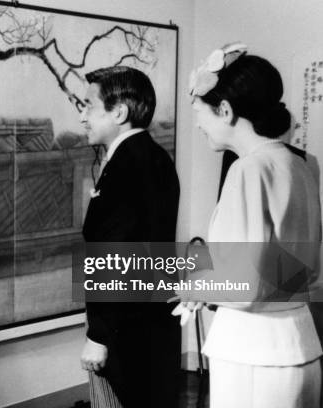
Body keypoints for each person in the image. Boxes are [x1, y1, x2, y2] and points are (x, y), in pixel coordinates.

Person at [188, 43, 323, 407]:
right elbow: (300, 271)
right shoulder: (302, 166)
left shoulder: (248, 169)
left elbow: (243, 285)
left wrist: (197, 285)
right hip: (298, 344)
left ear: (226, 111)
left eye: (199, 111)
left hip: (252, 352)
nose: (197, 123)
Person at [79, 66, 181, 408]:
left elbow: (117, 255)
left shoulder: (127, 164)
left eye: (88, 105)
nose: (82, 116)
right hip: (148, 324)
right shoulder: (152, 157)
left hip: (129, 330)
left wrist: (98, 335)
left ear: (119, 112)